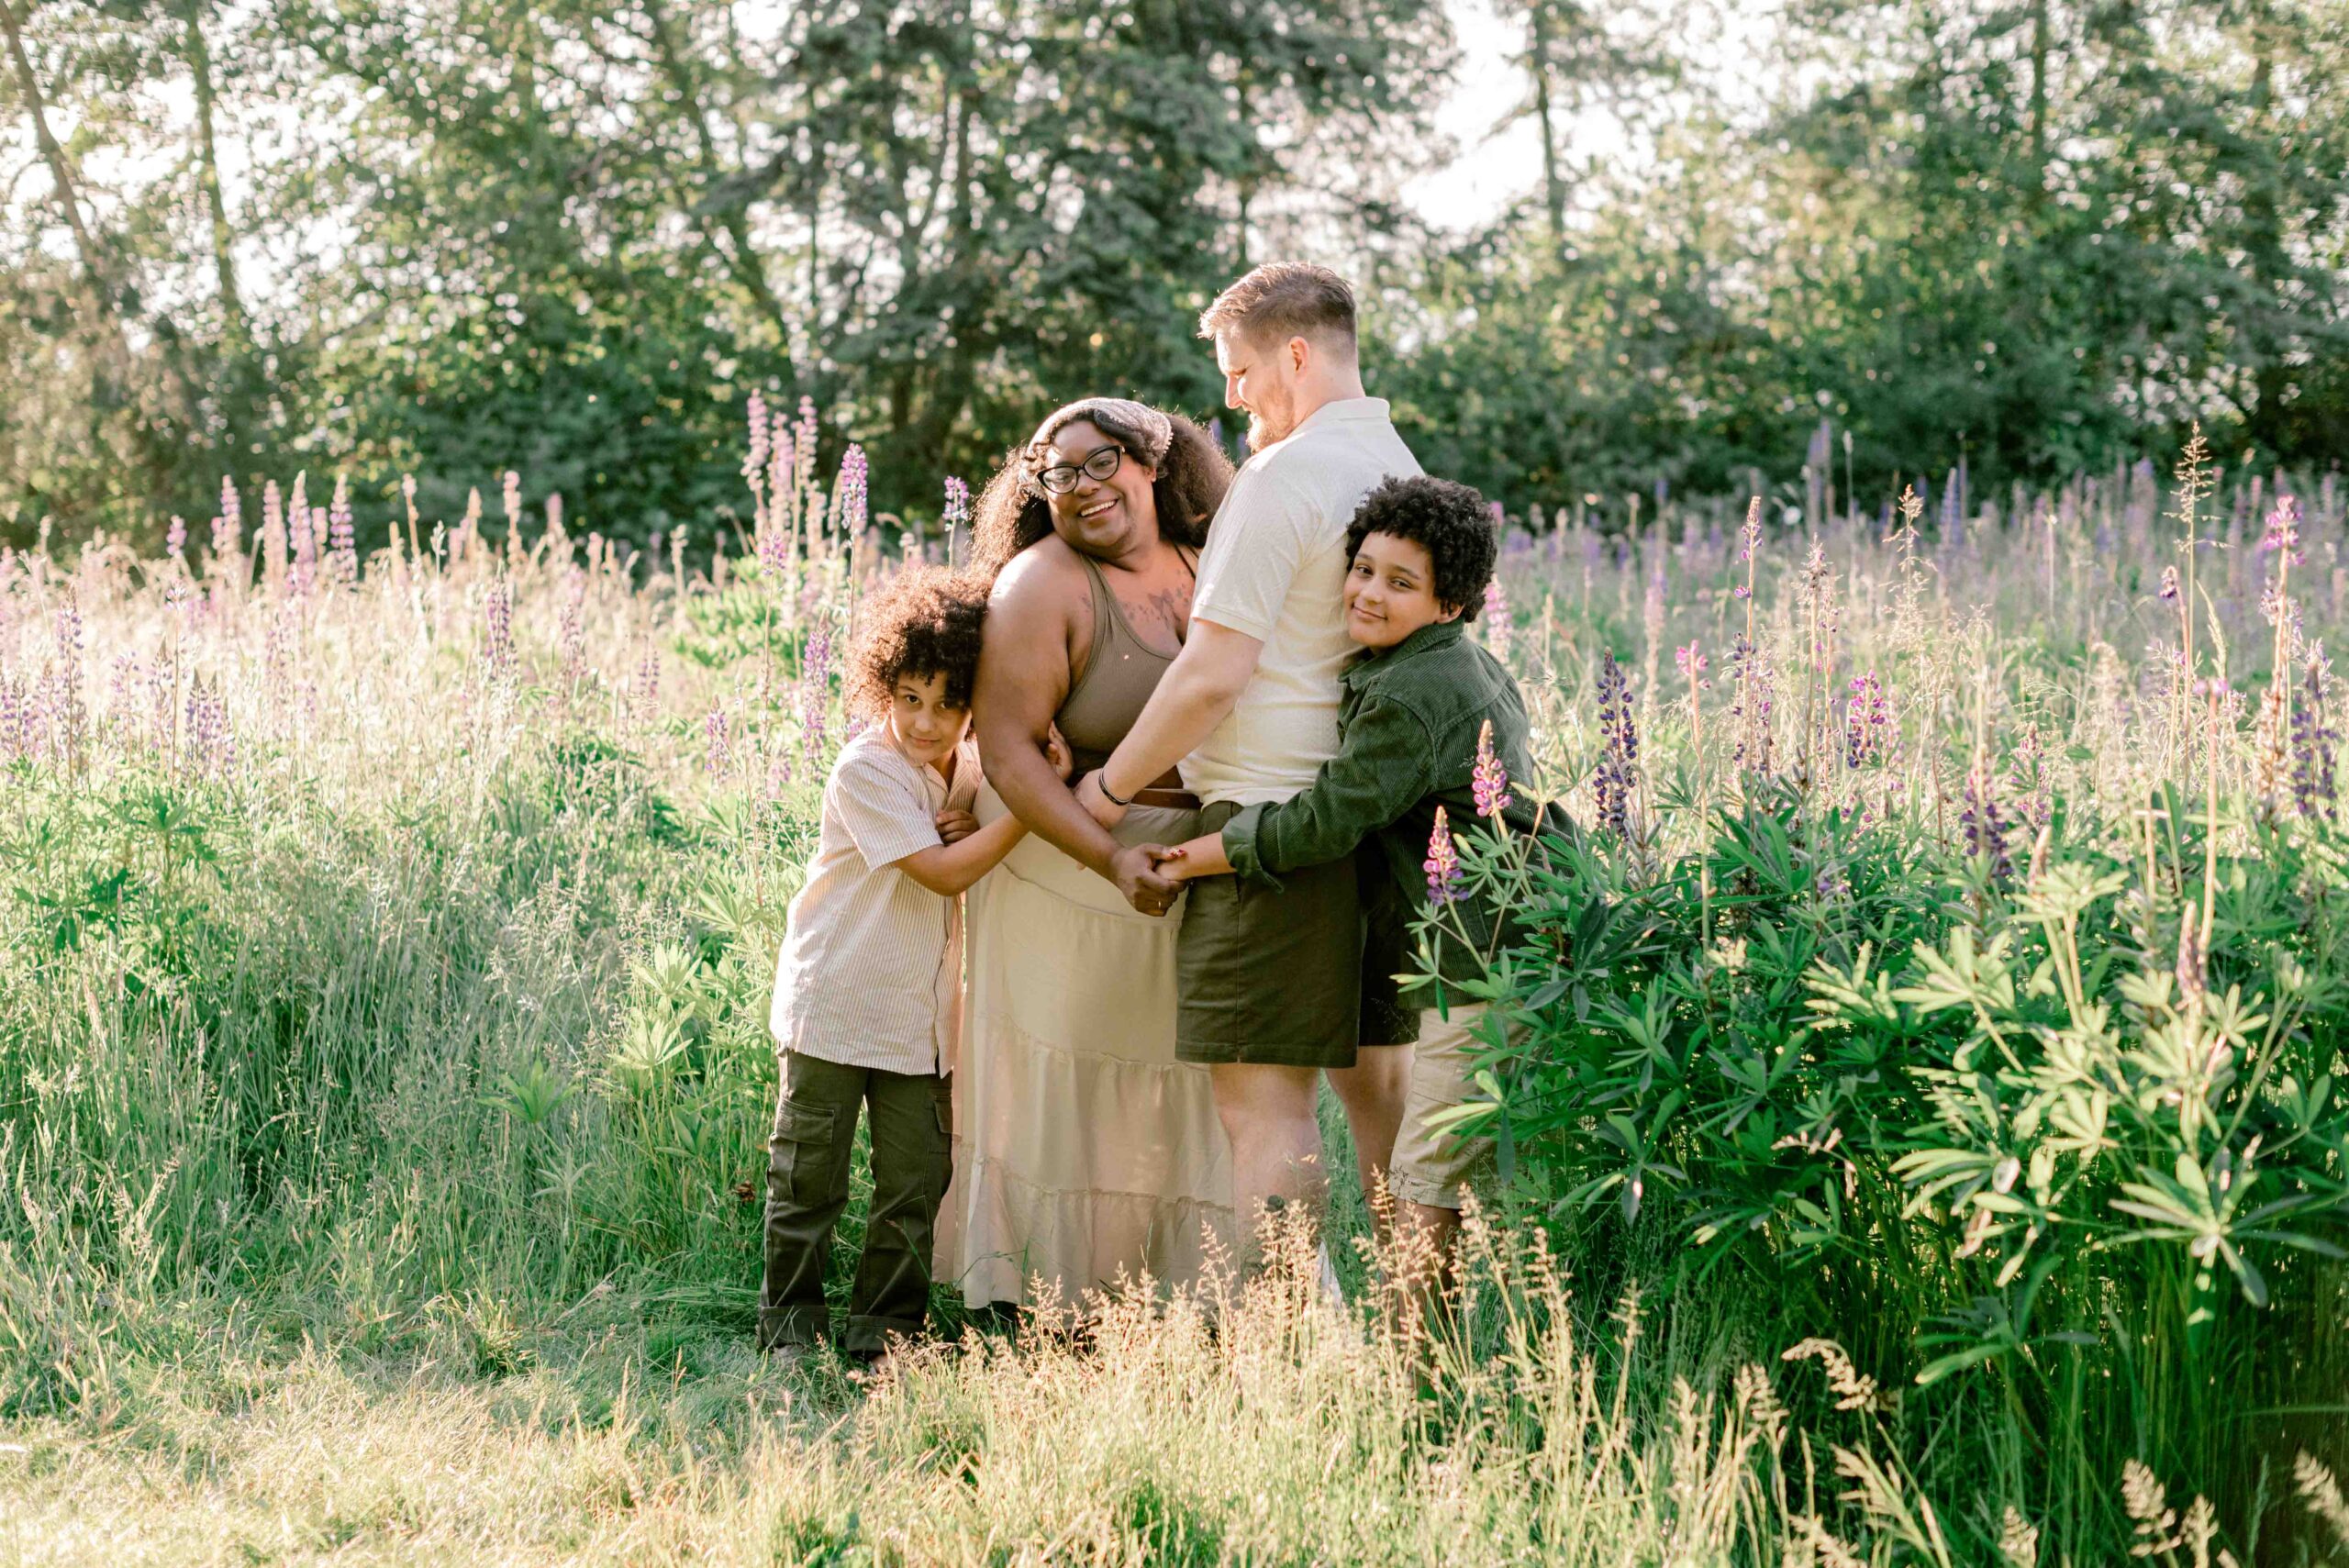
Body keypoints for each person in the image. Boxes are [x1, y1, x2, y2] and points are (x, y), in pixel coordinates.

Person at [1075, 262, 1422, 1261]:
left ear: (1297, 355)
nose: (1228, 399)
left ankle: (1279, 1359)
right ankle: (1417, 1339)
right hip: (1377, 823)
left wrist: (1106, 787)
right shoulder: (1397, 464)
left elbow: (1211, 669)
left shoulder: (1283, 476)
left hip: (1269, 831)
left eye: (1237, 371)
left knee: (1264, 1110)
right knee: (1380, 1098)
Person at [1147, 474, 1540, 1282]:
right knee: (1429, 1162)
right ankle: (1410, 1358)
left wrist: (1208, 850)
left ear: (1451, 604)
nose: (1366, 591)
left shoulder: (1414, 693)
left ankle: (1419, 1380)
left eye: (1400, 583)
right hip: (1484, 937)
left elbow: (1327, 817)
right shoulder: (1459, 664)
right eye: (1361, 568)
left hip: (1475, 952)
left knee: (1431, 1177)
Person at [939, 396, 1240, 1312]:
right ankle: (1058, 1305)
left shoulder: (1210, 562)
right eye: (1056, 472)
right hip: (1074, 874)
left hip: (1203, 873)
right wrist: (1111, 858)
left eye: (1100, 461)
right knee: (1080, 1097)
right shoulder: (1041, 583)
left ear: (1152, 460)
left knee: (1188, 1093)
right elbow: (1011, 755)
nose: (1080, 486)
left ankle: (1191, 1302)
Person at [759, 564, 1063, 1361]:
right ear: (881, 688)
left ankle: (884, 1336)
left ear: (973, 704)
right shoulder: (865, 769)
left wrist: (1028, 773)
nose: (927, 723)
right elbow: (945, 872)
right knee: (808, 1181)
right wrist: (1035, 809)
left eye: (949, 703)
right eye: (909, 699)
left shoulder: (964, 768)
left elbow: (998, 785)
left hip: (922, 1024)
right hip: (836, 1003)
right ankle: (790, 1328)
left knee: (915, 1184)